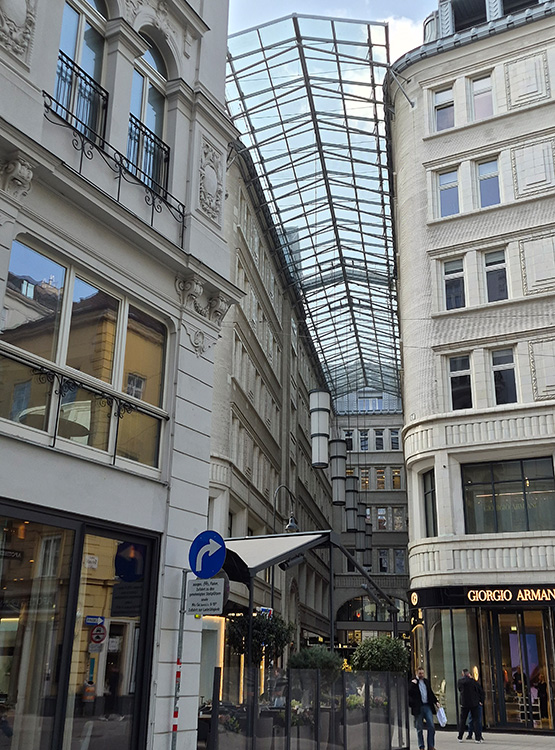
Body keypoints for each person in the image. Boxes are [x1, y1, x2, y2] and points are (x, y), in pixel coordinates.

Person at [408, 667, 440, 750]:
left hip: (427, 706)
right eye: (420, 673)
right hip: (418, 707)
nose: (421, 675)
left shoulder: (426, 681)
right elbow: (409, 692)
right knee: (419, 728)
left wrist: (436, 702)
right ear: (416, 673)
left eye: (422, 673)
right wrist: (413, 684)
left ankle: (431, 746)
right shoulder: (413, 682)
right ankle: (421, 746)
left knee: (431, 726)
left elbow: (430, 692)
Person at [457, 669, 483, 744]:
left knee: (463, 720)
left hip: (464, 703)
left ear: (463, 674)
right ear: (468, 674)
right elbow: (480, 690)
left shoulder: (460, 682)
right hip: (473, 703)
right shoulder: (473, 682)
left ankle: (460, 736)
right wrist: (480, 700)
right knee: (476, 720)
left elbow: (460, 689)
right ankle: (477, 738)